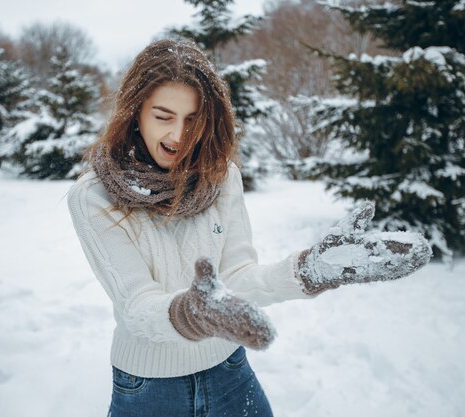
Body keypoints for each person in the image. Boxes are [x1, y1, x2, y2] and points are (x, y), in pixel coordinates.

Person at [67, 38, 432, 417]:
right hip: (150, 389)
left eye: (193, 120)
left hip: (229, 372)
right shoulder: (95, 196)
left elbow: (238, 275)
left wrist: (308, 271)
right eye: (163, 116)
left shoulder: (220, 178)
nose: (178, 136)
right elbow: (136, 305)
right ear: (135, 112)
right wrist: (191, 313)